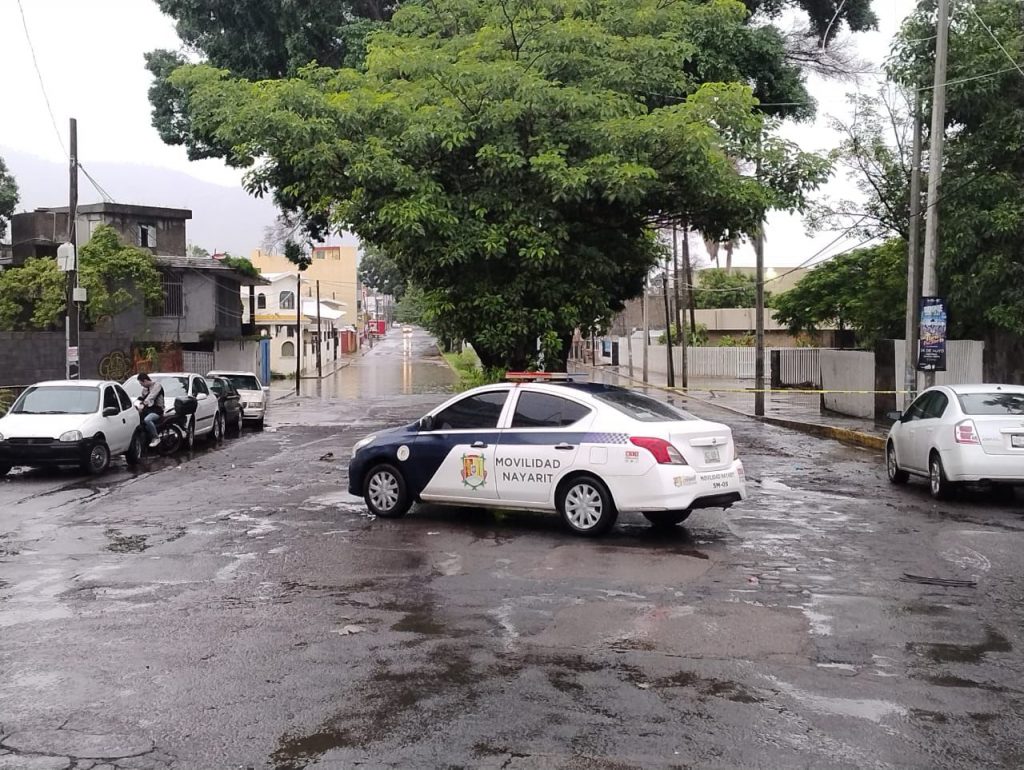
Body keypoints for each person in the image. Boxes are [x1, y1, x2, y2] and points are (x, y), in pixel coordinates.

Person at [136, 373, 165, 448]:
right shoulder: (145, 389)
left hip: (157, 410)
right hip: (148, 409)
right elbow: (143, 398)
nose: (141, 385)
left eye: (141, 383)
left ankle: (156, 437)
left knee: (147, 420)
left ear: (145, 381)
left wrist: (143, 404)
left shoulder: (157, 386)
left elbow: (151, 397)